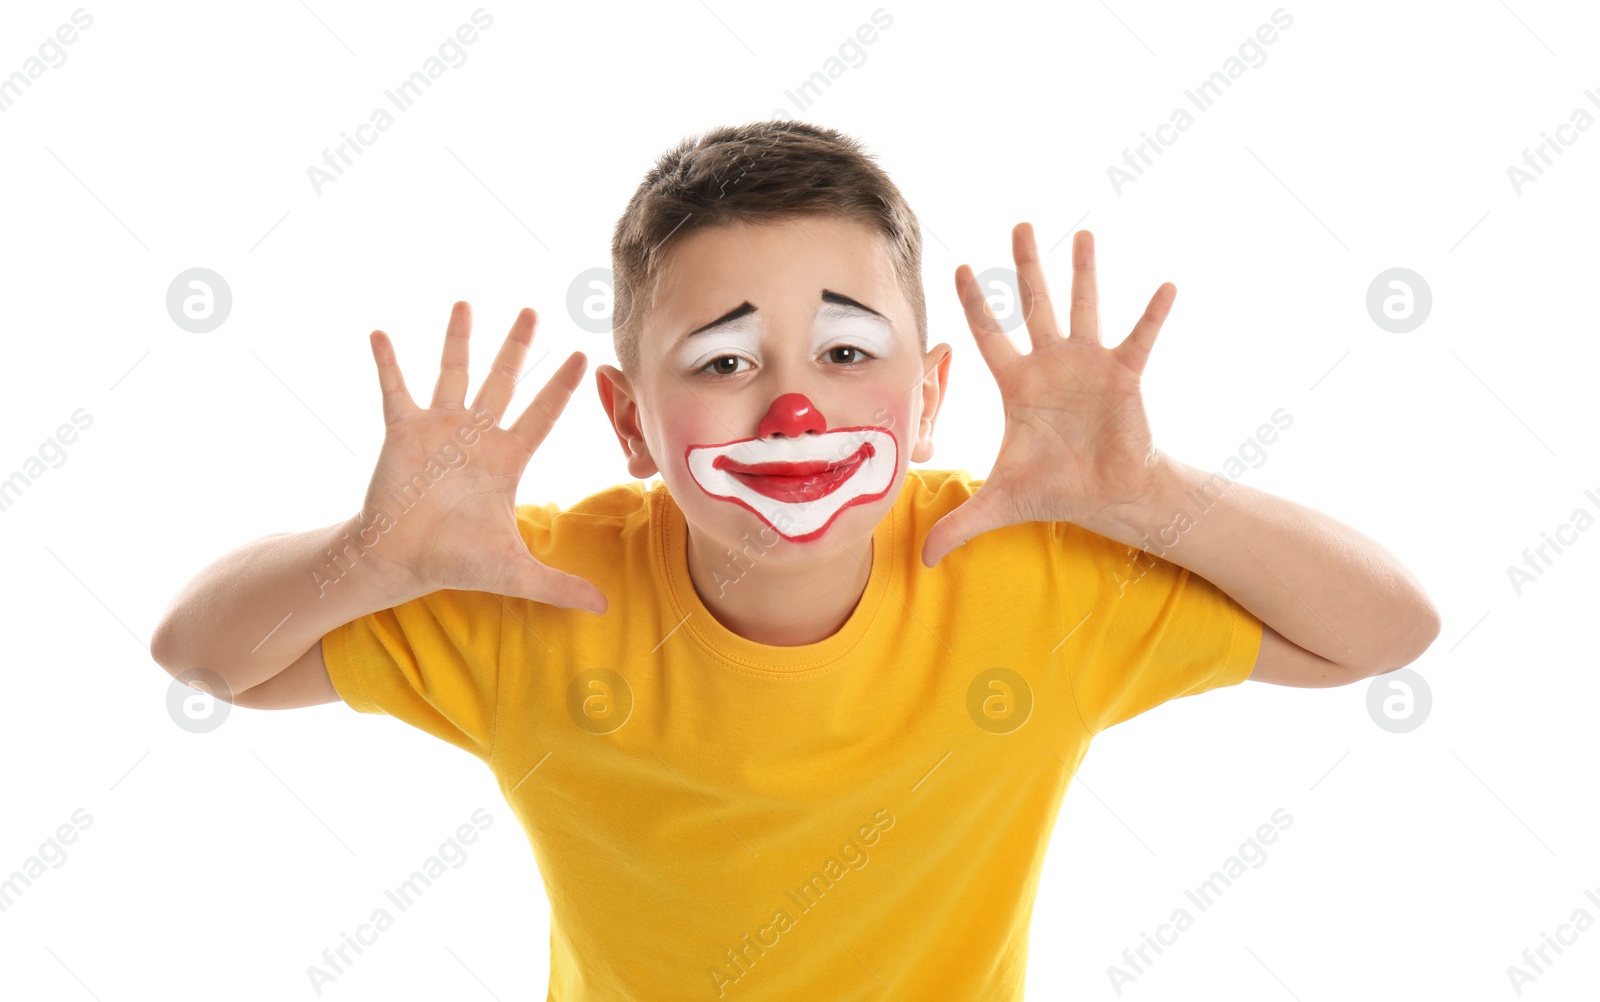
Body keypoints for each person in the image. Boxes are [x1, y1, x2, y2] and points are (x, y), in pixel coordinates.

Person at [151, 120, 1440, 1000]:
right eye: (722, 363)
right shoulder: (533, 587)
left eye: (845, 352)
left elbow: (1382, 635)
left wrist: (1148, 497)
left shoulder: (1027, 574)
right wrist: (370, 558)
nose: (793, 415)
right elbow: (209, 662)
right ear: (626, 420)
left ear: (930, 395)